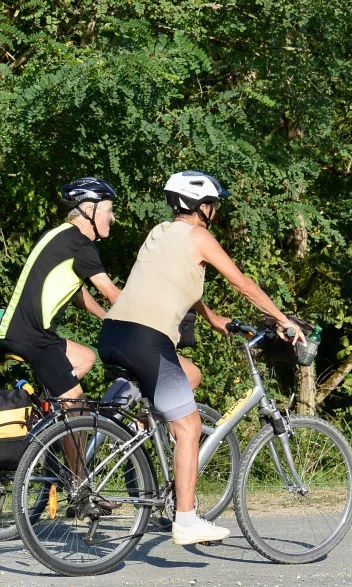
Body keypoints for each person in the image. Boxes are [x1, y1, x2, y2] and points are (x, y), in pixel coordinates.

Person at [97, 170, 307, 545]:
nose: (215, 212)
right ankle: (186, 519)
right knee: (190, 428)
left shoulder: (158, 233)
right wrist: (282, 320)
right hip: (148, 338)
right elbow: (241, 282)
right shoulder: (199, 236)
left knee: (188, 374)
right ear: (202, 207)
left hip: (113, 334)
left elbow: (174, 279)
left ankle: (143, 438)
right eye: (213, 205)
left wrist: (211, 318)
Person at [0, 177, 122, 402]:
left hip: (20, 333)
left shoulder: (59, 235)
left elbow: (74, 290)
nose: (113, 217)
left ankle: (48, 419)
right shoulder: (80, 245)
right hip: (34, 338)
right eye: (109, 210)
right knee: (78, 405)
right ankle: (59, 424)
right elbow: (111, 293)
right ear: (89, 210)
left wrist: (105, 316)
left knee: (85, 358)